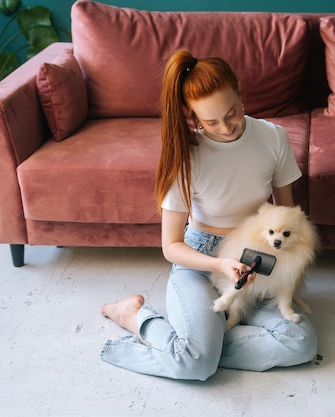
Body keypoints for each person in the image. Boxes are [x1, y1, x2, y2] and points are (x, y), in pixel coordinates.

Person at [99, 50, 317, 380]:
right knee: (197, 365)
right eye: (210, 122)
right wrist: (219, 265)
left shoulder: (273, 137)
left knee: (301, 342)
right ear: (193, 117)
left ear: (241, 96)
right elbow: (170, 246)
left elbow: (286, 216)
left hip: (253, 260)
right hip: (199, 264)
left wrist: (285, 269)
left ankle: (199, 345)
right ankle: (136, 317)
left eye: (231, 114)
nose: (226, 128)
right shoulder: (186, 156)